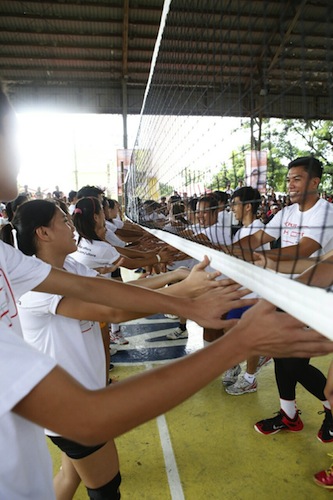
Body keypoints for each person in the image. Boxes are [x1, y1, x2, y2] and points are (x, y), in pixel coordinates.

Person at [1, 84, 333, 500]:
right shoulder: (29, 277)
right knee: (105, 489)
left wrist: (182, 286)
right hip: (71, 404)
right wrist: (209, 313)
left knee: (69, 477)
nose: (75, 226)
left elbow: (102, 287)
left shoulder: (28, 263)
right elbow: (111, 310)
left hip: (78, 393)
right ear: (43, 233)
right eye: (11, 135)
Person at [231, 156, 333, 438]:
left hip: (314, 297)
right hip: (284, 294)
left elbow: (303, 249)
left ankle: (331, 409)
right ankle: (289, 415)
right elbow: (258, 237)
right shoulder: (287, 213)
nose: (290, 185)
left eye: (297, 179)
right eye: (288, 179)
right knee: (279, 355)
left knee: (295, 363)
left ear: (315, 182)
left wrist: (259, 257)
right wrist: (229, 251)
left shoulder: (325, 213)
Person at [222, 187, 271, 395]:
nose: (232, 208)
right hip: (241, 292)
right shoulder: (242, 230)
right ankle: (237, 363)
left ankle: (250, 379)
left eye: (235, 204)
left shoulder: (259, 230)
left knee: (250, 338)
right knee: (228, 329)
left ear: (247, 206)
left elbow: (255, 263)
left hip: (255, 294)